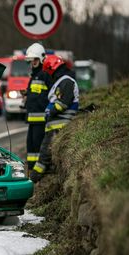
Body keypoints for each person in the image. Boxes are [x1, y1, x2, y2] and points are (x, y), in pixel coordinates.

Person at [30, 55, 79, 183]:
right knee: (45, 150)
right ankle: (40, 175)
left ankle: (34, 178)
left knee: (45, 152)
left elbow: (63, 103)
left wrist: (50, 112)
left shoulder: (66, 81)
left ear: (51, 69)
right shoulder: (61, 81)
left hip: (59, 126)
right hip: (54, 125)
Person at [23, 43, 51, 173]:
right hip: (32, 119)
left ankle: (39, 171)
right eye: (31, 60)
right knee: (31, 146)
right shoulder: (34, 75)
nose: (32, 63)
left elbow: (50, 94)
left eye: (34, 60)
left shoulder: (45, 75)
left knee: (38, 146)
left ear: (41, 59)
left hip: (41, 119)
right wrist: (26, 94)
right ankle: (31, 169)